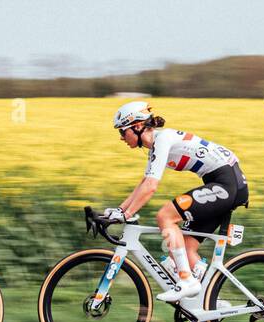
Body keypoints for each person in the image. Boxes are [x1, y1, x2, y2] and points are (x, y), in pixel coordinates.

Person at [103, 101, 248, 302]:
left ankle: (187, 281)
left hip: (226, 184)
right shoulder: (156, 144)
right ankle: (205, 306)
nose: (121, 138)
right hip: (224, 183)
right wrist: (119, 210)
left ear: (137, 126)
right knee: (182, 252)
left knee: (165, 216)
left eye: (122, 132)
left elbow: (151, 187)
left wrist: (126, 215)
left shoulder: (162, 140)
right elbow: (144, 183)